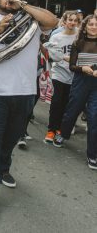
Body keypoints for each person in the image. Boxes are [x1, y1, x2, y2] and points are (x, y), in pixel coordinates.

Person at [0, 0, 58, 201]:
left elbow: (53, 21)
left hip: (24, 89)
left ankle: (3, 168)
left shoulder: (32, 19)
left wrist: (23, 5)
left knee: (12, 136)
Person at [53, 14, 97, 170]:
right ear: (85, 26)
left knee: (94, 118)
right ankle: (63, 134)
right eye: (90, 24)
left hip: (96, 86)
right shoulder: (78, 43)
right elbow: (72, 66)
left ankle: (93, 155)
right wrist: (82, 68)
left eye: (96, 24)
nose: (93, 27)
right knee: (72, 112)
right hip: (80, 82)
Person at [43, 10, 80, 142]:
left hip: (74, 74)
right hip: (58, 73)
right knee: (57, 101)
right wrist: (66, 57)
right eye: (70, 20)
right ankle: (51, 130)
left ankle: (60, 128)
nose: (72, 23)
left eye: (75, 20)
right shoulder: (56, 37)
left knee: (66, 103)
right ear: (64, 21)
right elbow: (52, 55)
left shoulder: (79, 36)